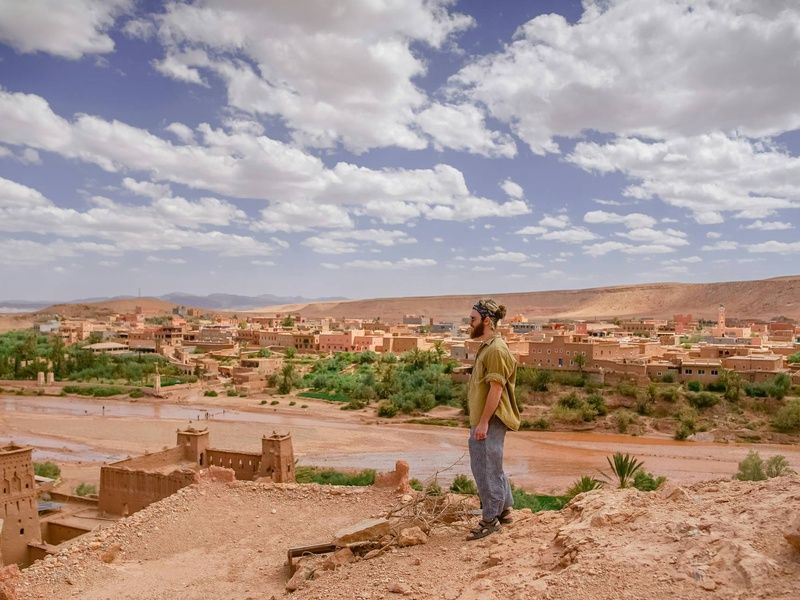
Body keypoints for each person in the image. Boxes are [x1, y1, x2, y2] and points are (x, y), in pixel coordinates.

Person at [465, 298, 520, 540]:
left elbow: (496, 390)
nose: (470, 323)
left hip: (490, 418)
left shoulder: (496, 350)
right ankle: (504, 510)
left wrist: (484, 422)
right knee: (491, 465)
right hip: (485, 417)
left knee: (485, 469)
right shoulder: (489, 346)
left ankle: (490, 520)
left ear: (487, 321)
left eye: (473, 319)